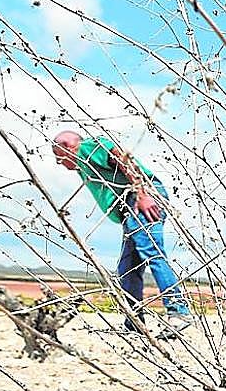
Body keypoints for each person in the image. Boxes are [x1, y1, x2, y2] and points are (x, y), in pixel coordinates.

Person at [51, 130, 191, 337]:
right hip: (128, 209)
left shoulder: (88, 148)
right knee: (127, 268)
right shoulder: (82, 164)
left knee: (152, 252)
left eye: (58, 156)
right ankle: (134, 323)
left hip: (139, 199)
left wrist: (142, 194)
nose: (59, 163)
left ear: (67, 147)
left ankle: (179, 312)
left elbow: (122, 159)